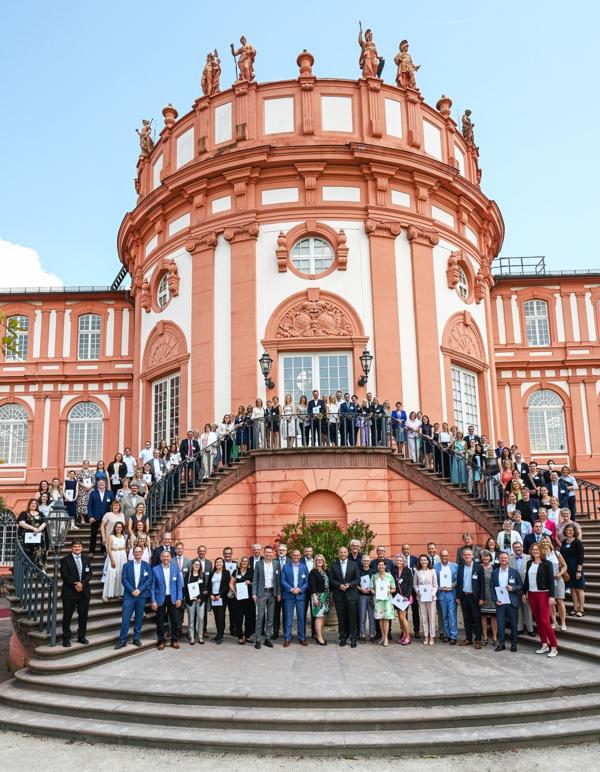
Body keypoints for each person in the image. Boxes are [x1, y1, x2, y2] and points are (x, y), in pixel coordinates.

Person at [523, 543, 558, 658]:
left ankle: (553, 646)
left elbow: (551, 581)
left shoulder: (547, 564)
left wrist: (552, 596)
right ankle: (544, 644)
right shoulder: (529, 563)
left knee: (545, 621)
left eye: (537, 549)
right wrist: (524, 593)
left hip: (543, 594)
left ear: (541, 550)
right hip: (532, 594)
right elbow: (527, 580)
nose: (535, 551)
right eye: (533, 549)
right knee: (538, 620)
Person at [115, 544, 152, 649]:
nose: (138, 553)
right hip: (129, 596)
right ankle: (122, 640)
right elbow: (124, 580)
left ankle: (136, 638)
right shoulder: (126, 565)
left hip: (141, 595)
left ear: (142, 553)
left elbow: (149, 580)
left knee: (139, 618)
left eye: (140, 552)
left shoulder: (147, 566)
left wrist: (139, 590)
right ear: (133, 553)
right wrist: (132, 590)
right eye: (136, 552)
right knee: (125, 618)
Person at [60, 539, 92, 647]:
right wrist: (75, 584)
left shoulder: (86, 559)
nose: (77, 548)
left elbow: (89, 574)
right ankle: (66, 638)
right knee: (67, 616)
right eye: (75, 547)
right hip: (69, 592)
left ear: (82, 547)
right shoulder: (65, 560)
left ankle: (81, 637)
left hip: (84, 592)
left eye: (79, 546)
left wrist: (82, 584)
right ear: (71, 548)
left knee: (83, 616)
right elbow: (64, 575)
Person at [151, 549, 183, 650]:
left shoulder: (175, 569)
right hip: (160, 597)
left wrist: (179, 598)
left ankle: (174, 640)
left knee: (174, 620)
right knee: (159, 620)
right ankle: (161, 641)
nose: (165, 558)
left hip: (172, 598)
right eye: (163, 557)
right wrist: (153, 600)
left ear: (170, 558)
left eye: (167, 556)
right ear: (161, 558)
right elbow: (152, 587)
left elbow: (179, 585)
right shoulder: (155, 569)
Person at [491, 551, 522, 652]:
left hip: (512, 603)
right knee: (500, 624)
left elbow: (521, 586)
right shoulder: (494, 572)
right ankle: (501, 644)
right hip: (500, 603)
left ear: (508, 560)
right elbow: (492, 588)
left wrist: (512, 588)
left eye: (505, 558)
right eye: (501, 558)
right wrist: (495, 600)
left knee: (513, 624)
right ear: (498, 560)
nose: (503, 559)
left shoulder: (514, 572)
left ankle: (514, 644)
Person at [330, 546, 360, 647]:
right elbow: (331, 579)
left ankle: (353, 638)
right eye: (341, 552)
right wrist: (339, 585)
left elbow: (358, 579)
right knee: (341, 618)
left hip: (351, 595)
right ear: (338, 553)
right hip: (339, 596)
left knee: (352, 618)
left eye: (344, 552)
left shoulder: (354, 564)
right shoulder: (334, 565)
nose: (342, 554)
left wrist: (350, 584)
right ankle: (343, 637)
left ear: (348, 553)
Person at [252, 545, 281, 649]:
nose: (268, 554)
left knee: (270, 617)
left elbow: (278, 580)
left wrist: (278, 593)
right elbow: (255, 579)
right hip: (261, 593)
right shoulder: (258, 564)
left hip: (273, 593)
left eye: (270, 552)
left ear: (272, 553)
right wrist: (254, 593)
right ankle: (258, 639)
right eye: (267, 552)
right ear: (264, 553)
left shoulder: (276, 564)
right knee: (260, 617)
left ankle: (267, 638)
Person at [456, 548, 484, 648]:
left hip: (474, 597)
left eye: (469, 555)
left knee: (476, 619)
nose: (467, 557)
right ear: (463, 557)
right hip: (464, 596)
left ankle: (478, 640)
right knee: (466, 619)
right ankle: (468, 639)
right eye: (465, 555)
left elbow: (482, 584)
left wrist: (481, 598)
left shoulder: (478, 567)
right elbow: (459, 583)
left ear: (472, 556)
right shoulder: (460, 567)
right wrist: (458, 597)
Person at [281, 549, 309, 646]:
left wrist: (300, 589)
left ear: (300, 556)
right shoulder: (285, 567)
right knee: (288, 618)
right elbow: (283, 581)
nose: (296, 557)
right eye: (294, 555)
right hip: (289, 596)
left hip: (301, 596)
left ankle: (302, 637)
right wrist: (291, 589)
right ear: (291, 556)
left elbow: (307, 582)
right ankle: (287, 638)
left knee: (301, 618)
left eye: (298, 555)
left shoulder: (304, 567)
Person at [540, 536, 568, 632]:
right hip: (547, 582)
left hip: (558, 580)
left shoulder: (556, 553)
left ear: (549, 542)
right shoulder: (540, 555)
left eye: (546, 541)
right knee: (551, 603)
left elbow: (564, 566)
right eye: (543, 542)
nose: (545, 543)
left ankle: (563, 622)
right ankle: (554, 622)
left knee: (560, 601)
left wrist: (559, 574)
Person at [508, 542, 535, 636]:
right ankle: (520, 628)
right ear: (513, 549)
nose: (517, 549)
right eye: (515, 548)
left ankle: (530, 629)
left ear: (522, 547)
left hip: (527, 587)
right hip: (514, 587)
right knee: (517, 608)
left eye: (519, 547)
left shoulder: (529, 557)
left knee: (528, 609)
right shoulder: (510, 559)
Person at [561, 524, 585, 617]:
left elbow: (581, 558)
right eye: (567, 530)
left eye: (571, 530)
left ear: (574, 531)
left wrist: (578, 571)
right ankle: (575, 608)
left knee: (579, 589)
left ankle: (581, 609)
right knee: (572, 589)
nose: (568, 532)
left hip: (576, 568)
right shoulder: (564, 542)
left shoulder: (578, 542)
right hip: (568, 569)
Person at [434, 549, 458, 644]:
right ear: (440, 556)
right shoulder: (435, 567)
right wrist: (440, 588)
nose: (444, 557)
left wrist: (454, 585)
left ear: (448, 556)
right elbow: (434, 581)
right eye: (442, 556)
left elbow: (458, 580)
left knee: (452, 615)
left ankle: (453, 636)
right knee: (443, 615)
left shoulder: (455, 566)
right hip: (441, 593)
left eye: (446, 556)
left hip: (451, 593)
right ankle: (447, 635)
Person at [370, 559, 396, 647]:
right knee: (380, 619)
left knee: (386, 619)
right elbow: (371, 588)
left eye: (382, 565)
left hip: (387, 600)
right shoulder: (374, 576)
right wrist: (375, 592)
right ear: (377, 566)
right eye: (379, 565)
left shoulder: (389, 576)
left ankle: (386, 639)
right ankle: (383, 637)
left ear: (385, 566)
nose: (381, 566)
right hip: (378, 601)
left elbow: (394, 588)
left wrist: (388, 590)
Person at [414, 554, 438, 645]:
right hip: (421, 597)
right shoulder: (416, 571)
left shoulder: (432, 571)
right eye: (422, 560)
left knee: (431, 617)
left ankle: (432, 637)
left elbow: (435, 585)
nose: (423, 561)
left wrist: (432, 594)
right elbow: (415, 584)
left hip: (431, 597)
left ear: (428, 561)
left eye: (425, 560)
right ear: (419, 561)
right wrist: (417, 591)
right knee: (424, 617)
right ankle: (426, 636)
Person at [17, 498, 48, 568]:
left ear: (37, 505)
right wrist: (34, 528)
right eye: (32, 503)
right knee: (27, 553)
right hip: (26, 538)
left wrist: (39, 529)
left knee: (39, 553)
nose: (33, 505)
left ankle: (39, 569)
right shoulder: (24, 513)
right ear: (29, 505)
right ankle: (26, 569)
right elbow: (21, 523)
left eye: (35, 504)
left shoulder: (41, 514)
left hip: (38, 537)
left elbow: (45, 522)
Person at [184, 558, 208, 645]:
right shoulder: (188, 575)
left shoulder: (202, 575)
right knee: (191, 619)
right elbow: (186, 588)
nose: (196, 566)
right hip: (190, 600)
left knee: (201, 618)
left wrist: (199, 597)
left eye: (198, 565)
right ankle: (192, 637)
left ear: (200, 566)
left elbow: (204, 588)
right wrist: (191, 597)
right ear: (192, 565)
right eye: (195, 564)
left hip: (200, 600)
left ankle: (200, 637)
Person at [87, 479, 114, 556]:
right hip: (95, 517)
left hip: (106, 517)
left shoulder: (110, 493)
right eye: (100, 483)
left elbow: (113, 505)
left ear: (105, 484)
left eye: (103, 483)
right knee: (93, 534)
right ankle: (92, 551)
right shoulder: (93, 493)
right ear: (97, 484)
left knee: (105, 534)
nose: (101, 484)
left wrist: (112, 516)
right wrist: (90, 516)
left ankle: (104, 550)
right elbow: (89, 506)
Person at [230, 556, 254, 644]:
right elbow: (231, 584)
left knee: (249, 618)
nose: (244, 562)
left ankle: (247, 636)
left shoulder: (251, 572)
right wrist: (234, 592)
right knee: (238, 618)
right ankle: (240, 636)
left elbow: (255, 583)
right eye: (243, 561)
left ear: (248, 563)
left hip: (249, 599)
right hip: (238, 599)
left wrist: (250, 583)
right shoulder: (236, 571)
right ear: (240, 563)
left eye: (246, 561)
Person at [103, 521, 128, 600]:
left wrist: (126, 558)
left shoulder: (124, 536)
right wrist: (112, 560)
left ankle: (118, 593)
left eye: (120, 527)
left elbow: (125, 547)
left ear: (122, 528)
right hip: (114, 555)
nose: (119, 528)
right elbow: (109, 549)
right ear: (115, 528)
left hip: (122, 556)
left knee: (120, 574)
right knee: (112, 574)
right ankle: (106, 594)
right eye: (117, 527)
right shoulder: (111, 536)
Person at [393, 554, 414, 645]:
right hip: (396, 597)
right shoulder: (393, 570)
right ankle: (404, 636)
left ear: (404, 562)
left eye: (401, 561)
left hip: (404, 598)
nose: (399, 562)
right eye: (397, 560)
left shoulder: (408, 571)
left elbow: (410, 585)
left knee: (403, 617)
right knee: (400, 618)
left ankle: (408, 637)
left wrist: (407, 596)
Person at [209, 557, 231, 644]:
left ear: (223, 564)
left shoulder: (226, 572)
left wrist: (220, 595)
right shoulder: (212, 573)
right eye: (217, 562)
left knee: (221, 616)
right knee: (216, 616)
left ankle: (221, 636)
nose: (218, 563)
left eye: (220, 562)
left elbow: (226, 586)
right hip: (213, 597)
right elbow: (209, 585)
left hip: (221, 597)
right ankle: (218, 634)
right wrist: (211, 594)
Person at [479, 549, 498, 645]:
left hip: (493, 594)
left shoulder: (495, 567)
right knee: (483, 617)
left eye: (487, 556)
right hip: (482, 594)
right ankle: (485, 637)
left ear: (490, 557)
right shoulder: (478, 568)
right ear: (481, 558)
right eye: (483, 556)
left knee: (494, 617)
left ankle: (494, 637)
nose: (485, 558)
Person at [272, 543, 291, 640]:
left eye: (283, 550)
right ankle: (275, 632)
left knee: (287, 613)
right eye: (279, 550)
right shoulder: (273, 561)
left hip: (288, 592)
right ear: (277, 551)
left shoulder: (290, 561)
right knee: (275, 613)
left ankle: (286, 632)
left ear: (286, 551)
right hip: (275, 592)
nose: (281, 551)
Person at [358, 555, 375, 643]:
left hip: (371, 596)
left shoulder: (373, 571)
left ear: (370, 562)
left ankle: (372, 634)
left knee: (372, 616)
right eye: (364, 560)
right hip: (361, 596)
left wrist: (372, 590)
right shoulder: (358, 571)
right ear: (362, 562)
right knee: (362, 616)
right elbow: (355, 583)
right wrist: (361, 589)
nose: (366, 562)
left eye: (368, 561)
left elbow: (376, 583)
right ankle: (362, 635)